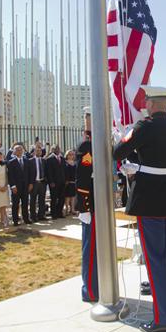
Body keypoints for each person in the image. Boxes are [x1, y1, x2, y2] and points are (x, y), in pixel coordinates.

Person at [113, 85, 166, 332]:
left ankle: (164, 319)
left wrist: (127, 136)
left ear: (152, 104)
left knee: (155, 260)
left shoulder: (144, 127)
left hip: (150, 200)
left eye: (147, 102)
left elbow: (118, 151)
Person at [75, 107, 98, 302]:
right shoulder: (86, 146)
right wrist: (84, 207)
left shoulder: (97, 144)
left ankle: (98, 286)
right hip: (91, 205)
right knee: (90, 250)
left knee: (98, 249)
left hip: (100, 204)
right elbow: (81, 179)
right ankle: (90, 290)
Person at [7, 144, 31, 225]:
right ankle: (15, 220)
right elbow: (10, 175)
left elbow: (29, 173)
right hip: (16, 187)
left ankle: (26, 219)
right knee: (15, 204)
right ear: (14, 151)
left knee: (25, 203)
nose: (19, 151)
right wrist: (13, 186)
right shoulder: (11, 162)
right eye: (17, 150)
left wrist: (30, 184)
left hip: (25, 186)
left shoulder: (27, 160)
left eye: (20, 149)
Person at [27, 145, 47, 221]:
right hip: (34, 183)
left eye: (40, 151)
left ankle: (41, 215)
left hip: (42, 182)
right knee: (33, 200)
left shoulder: (44, 160)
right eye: (37, 151)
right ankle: (33, 216)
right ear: (34, 152)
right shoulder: (30, 161)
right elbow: (28, 173)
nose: (39, 152)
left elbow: (46, 172)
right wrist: (30, 183)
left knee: (42, 200)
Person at [45, 144, 66, 219]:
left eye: (58, 148)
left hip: (62, 182)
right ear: (53, 150)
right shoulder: (49, 159)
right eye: (56, 148)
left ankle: (59, 212)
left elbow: (64, 170)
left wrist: (65, 180)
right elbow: (49, 172)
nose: (58, 150)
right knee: (54, 198)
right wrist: (51, 182)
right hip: (54, 182)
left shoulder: (62, 158)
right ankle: (53, 214)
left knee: (62, 198)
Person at [63, 150, 77, 217]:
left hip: (73, 182)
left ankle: (72, 209)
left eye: (72, 154)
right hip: (67, 182)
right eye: (70, 154)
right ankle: (67, 210)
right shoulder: (65, 163)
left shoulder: (75, 163)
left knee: (73, 196)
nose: (71, 156)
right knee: (67, 196)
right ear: (67, 155)